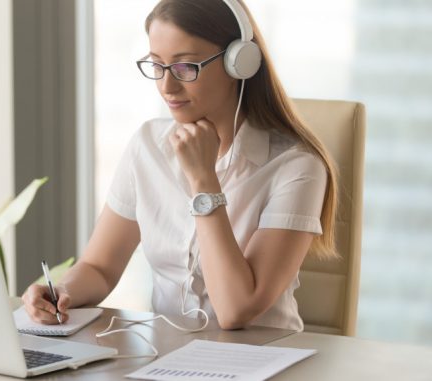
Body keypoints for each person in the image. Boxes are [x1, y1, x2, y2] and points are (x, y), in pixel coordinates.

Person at [23, 0, 338, 331]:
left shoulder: (297, 167)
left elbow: (236, 309)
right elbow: (100, 267)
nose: (166, 87)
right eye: (157, 66)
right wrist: (63, 291)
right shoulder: (147, 145)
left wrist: (203, 181)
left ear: (239, 63)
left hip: (262, 360)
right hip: (166, 357)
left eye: (186, 68)